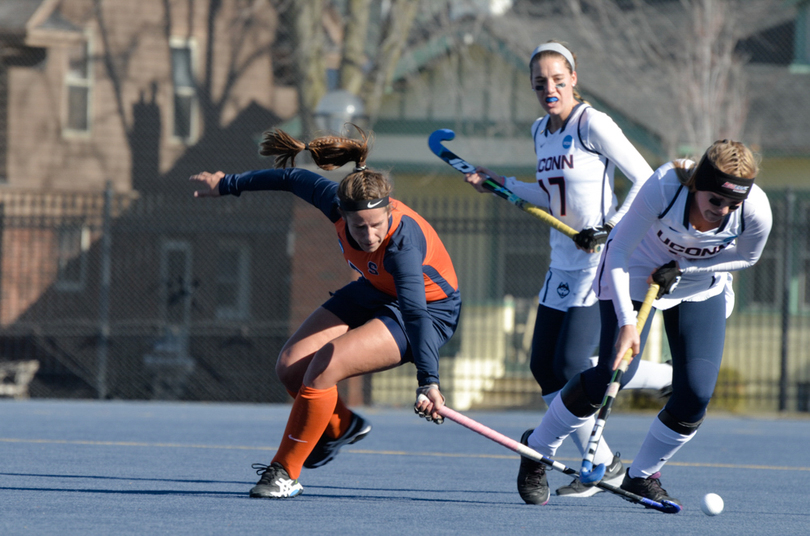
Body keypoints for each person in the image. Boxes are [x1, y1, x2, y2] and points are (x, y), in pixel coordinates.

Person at [189, 126, 461, 499]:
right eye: (358, 227)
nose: (368, 236)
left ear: (388, 212)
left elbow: (414, 312)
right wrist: (228, 184)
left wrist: (428, 381)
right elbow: (291, 177)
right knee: (291, 367)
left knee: (325, 364)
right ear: (343, 214)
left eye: (376, 225)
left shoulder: (402, 245)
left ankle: (285, 472)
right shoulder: (333, 202)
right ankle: (342, 426)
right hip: (374, 291)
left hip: (428, 312)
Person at [464, 40, 672, 502]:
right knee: (543, 366)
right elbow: (548, 193)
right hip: (561, 260)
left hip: (599, 259)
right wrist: (501, 184)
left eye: (558, 79)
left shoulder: (592, 123)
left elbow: (646, 178)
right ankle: (604, 460)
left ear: (574, 78)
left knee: (574, 365)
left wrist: (609, 227)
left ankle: (604, 448)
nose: (549, 88)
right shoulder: (540, 130)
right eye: (540, 82)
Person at [520, 139, 772, 506]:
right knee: (613, 371)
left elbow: (747, 257)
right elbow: (618, 252)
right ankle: (537, 450)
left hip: (698, 284)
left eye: (733, 204)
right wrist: (626, 322)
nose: (722, 211)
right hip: (635, 269)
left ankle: (641, 476)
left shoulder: (756, 211)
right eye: (715, 200)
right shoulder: (667, 185)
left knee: (695, 395)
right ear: (697, 184)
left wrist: (686, 267)